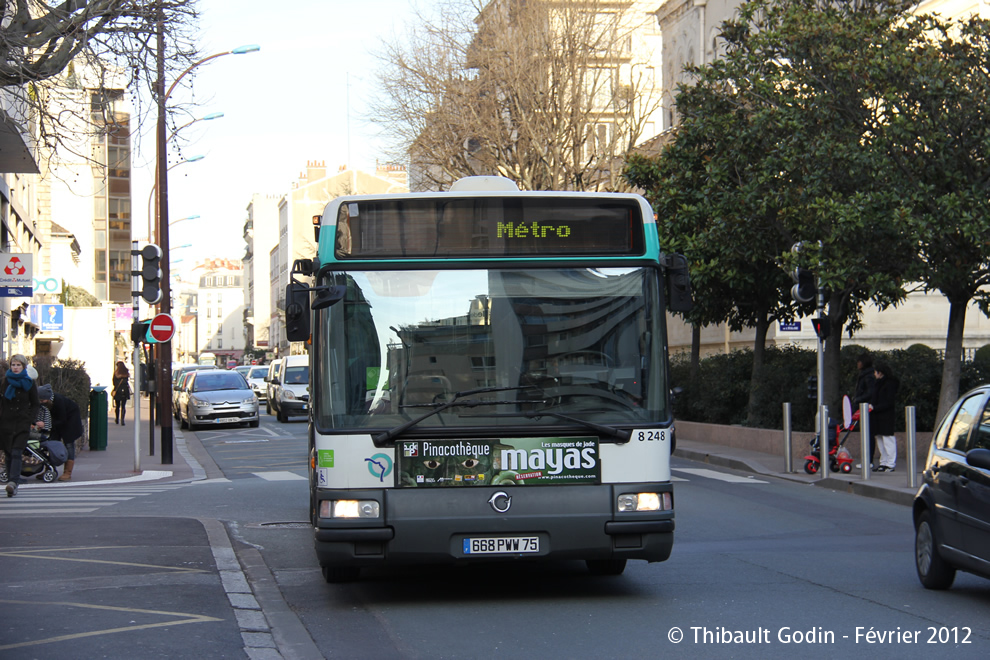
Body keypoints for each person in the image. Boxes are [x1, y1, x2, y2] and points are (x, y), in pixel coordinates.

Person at [0, 355, 40, 497]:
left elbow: (35, 404)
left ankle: (13, 482)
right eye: (13, 365)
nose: (15, 368)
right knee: (9, 453)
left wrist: (31, 419)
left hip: (22, 423)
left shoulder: (29, 383)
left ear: (23, 367)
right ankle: (11, 484)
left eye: (18, 365)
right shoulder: (5, 382)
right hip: (6, 423)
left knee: (17, 452)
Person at [38, 384, 83, 482]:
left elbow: (62, 418)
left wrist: (46, 424)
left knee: (69, 443)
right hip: (58, 421)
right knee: (52, 443)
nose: (41, 403)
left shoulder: (59, 401)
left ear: (47, 398)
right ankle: (49, 469)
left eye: (42, 400)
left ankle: (68, 472)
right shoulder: (48, 402)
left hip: (70, 420)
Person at [870, 361, 899, 472]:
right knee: (880, 439)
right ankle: (884, 462)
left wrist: (875, 407)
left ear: (880, 373)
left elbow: (889, 402)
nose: (874, 374)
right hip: (877, 415)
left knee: (887, 439)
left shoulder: (889, 384)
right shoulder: (878, 383)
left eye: (876, 372)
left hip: (885, 416)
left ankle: (890, 463)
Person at [851, 353, 876, 469]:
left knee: (868, 434)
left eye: (859, 361)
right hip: (864, 407)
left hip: (866, 408)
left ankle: (868, 460)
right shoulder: (865, 375)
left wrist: (858, 399)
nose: (857, 364)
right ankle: (867, 460)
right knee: (866, 434)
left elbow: (870, 392)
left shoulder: (868, 376)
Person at [112, 361, 131, 426]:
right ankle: (122, 420)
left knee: (117, 406)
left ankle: (117, 419)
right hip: (125, 390)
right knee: (123, 406)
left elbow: (114, 382)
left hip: (118, 390)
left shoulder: (116, 373)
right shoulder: (126, 373)